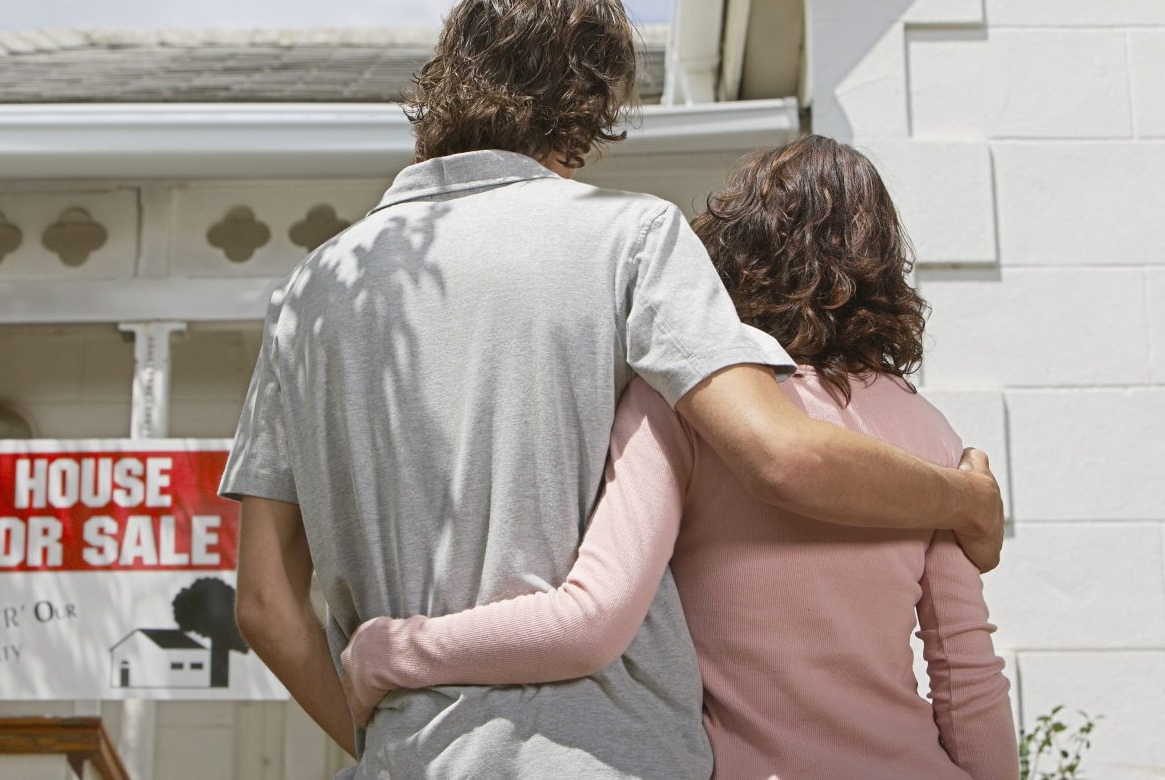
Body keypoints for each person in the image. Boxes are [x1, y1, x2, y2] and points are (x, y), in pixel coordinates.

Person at [219, 0, 1005, 780]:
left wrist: (389, 734)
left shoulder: (312, 292)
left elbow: (267, 604)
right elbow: (785, 454)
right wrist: (965, 498)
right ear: (590, 106)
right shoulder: (631, 238)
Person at [341, 136, 1018, 779]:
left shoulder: (686, 407)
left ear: (736, 251)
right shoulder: (932, 436)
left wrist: (395, 649)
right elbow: (966, 673)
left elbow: (589, 621)